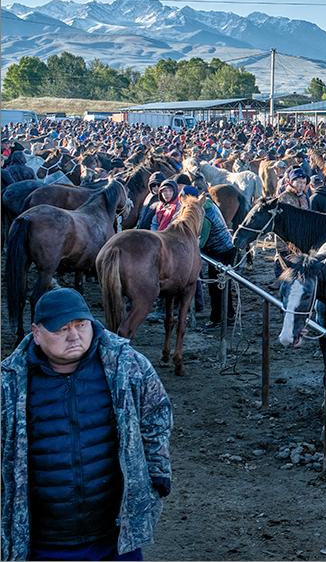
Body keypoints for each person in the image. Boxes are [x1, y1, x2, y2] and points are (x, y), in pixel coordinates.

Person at [1, 288, 172, 561]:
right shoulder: (9, 383)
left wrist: (158, 473)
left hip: (115, 537)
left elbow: (155, 415)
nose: (74, 336)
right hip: (45, 542)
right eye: (61, 329)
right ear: (36, 333)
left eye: (81, 325)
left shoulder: (126, 365)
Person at [180, 186, 236, 327]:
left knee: (216, 285)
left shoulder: (204, 214)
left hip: (220, 250)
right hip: (225, 247)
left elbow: (202, 239)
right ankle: (229, 314)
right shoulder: (208, 205)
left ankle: (217, 318)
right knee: (224, 284)